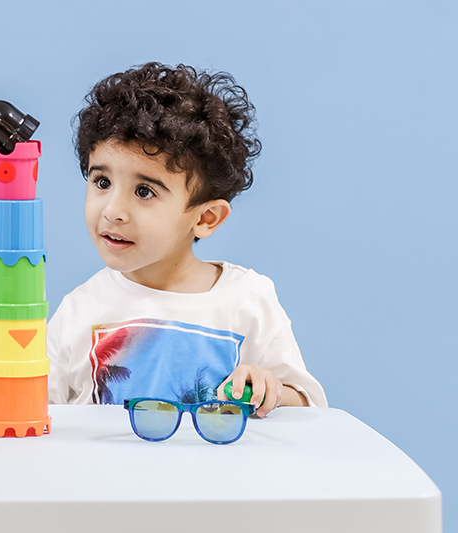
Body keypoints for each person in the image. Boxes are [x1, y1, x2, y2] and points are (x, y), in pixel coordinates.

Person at [47, 62, 327, 417]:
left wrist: (270, 389)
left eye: (144, 191)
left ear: (205, 218)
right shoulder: (78, 310)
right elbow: (37, 415)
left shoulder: (247, 301)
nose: (113, 210)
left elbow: (310, 408)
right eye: (102, 182)